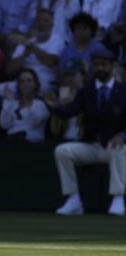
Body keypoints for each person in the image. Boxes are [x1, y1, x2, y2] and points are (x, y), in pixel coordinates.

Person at [49, 48, 126, 216]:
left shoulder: (123, 91)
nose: (99, 68)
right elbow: (70, 111)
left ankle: (118, 198)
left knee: (119, 147)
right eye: (96, 65)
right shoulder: (87, 91)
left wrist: (122, 135)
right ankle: (73, 199)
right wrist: (55, 106)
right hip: (92, 146)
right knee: (62, 151)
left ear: (112, 67)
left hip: (116, 148)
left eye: (104, 65)